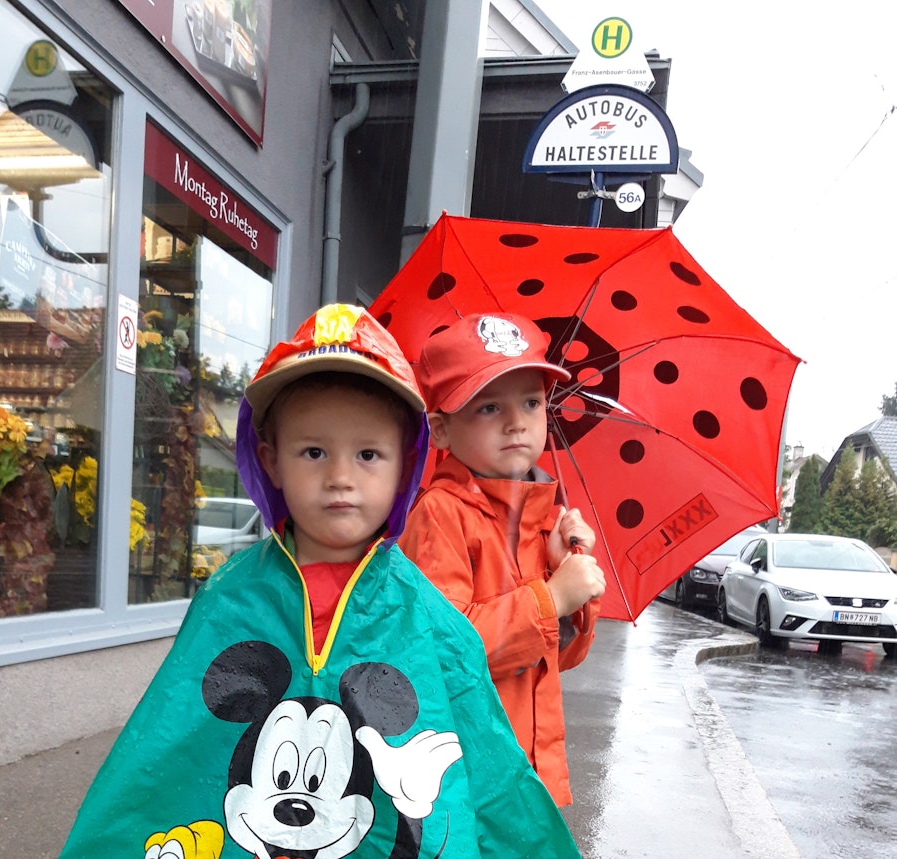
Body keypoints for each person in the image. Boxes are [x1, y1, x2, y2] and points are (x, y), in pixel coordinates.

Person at [61, 304, 582, 859]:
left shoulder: (428, 617)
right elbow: (165, 756)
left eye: (368, 454)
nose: (340, 477)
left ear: (405, 467)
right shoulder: (230, 598)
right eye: (314, 451)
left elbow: (490, 769)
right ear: (271, 460)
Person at [398, 311, 607, 809]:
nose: (517, 422)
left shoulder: (542, 520)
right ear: (442, 431)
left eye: (531, 402)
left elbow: (563, 658)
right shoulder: (440, 515)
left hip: (531, 775)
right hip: (471, 775)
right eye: (489, 407)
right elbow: (445, 654)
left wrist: (564, 573)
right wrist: (551, 597)